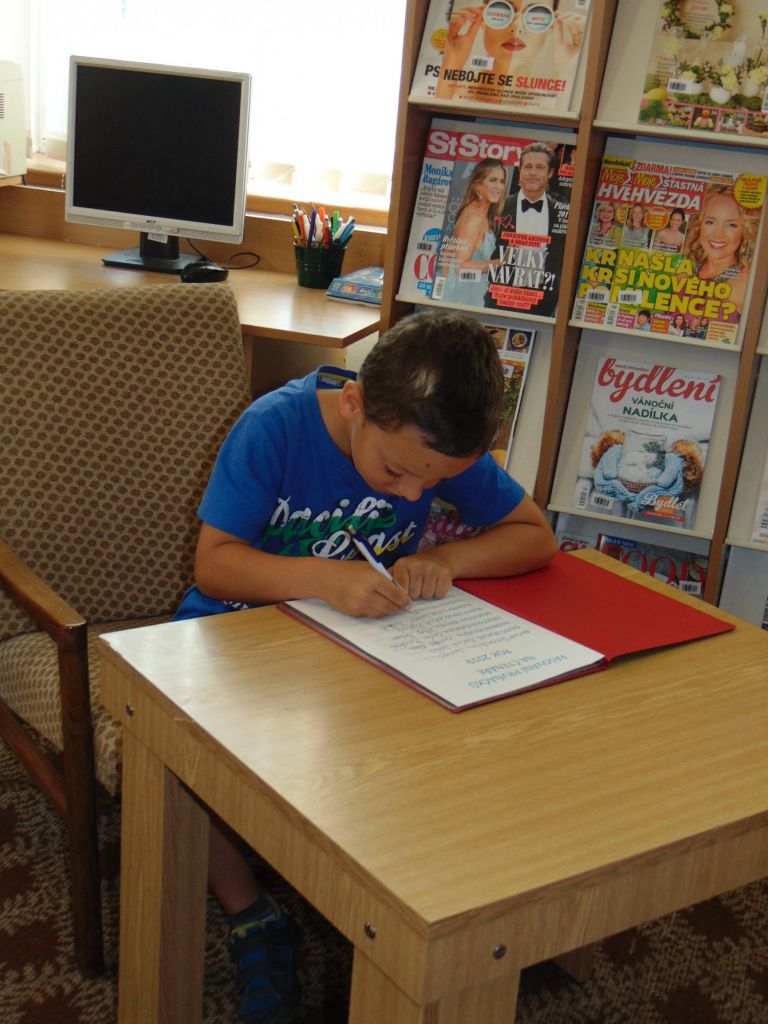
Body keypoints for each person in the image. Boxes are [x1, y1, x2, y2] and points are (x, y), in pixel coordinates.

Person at [174, 310, 557, 1023]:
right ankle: (251, 912)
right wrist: (323, 578)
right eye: (398, 472)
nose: (411, 495)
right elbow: (215, 565)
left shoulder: (430, 439)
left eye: (434, 482)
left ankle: (400, 908)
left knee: (451, 747)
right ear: (354, 402)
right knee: (188, 760)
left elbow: (535, 536)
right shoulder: (273, 428)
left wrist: (446, 557)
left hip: (356, 644)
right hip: (234, 631)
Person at [436, 0, 587, 111]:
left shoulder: (557, 106)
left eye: (535, 15)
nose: (516, 27)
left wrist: (568, 75)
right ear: (482, 19)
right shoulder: (445, 92)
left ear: (551, 27)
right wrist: (449, 66)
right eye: (503, 11)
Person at [484, 140, 567, 317]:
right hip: (499, 299)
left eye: (540, 167)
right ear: (520, 171)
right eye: (528, 167)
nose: (533, 173)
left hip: (544, 304)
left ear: (550, 173)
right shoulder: (497, 207)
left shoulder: (562, 211)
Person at [438, 158, 508, 306]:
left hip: (470, 292)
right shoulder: (474, 218)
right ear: (477, 186)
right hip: (462, 297)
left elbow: (449, 254)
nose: (499, 187)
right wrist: (499, 262)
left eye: (502, 181)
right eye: (493, 180)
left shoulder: (483, 215)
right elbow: (461, 267)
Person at [684, 183, 759, 316]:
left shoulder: (747, 285)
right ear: (699, 225)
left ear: (745, 230)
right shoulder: (685, 270)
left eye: (731, 225)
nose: (718, 235)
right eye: (710, 222)